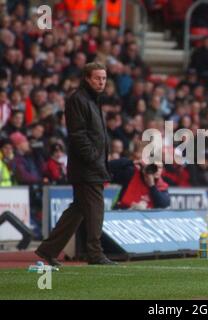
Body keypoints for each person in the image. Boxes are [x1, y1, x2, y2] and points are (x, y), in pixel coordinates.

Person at [35, 62, 116, 266]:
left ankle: (48, 249)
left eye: (104, 78)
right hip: (86, 167)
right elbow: (78, 134)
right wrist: (93, 158)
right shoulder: (78, 99)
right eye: (97, 78)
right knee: (95, 209)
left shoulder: (91, 99)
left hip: (90, 165)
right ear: (87, 78)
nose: (101, 82)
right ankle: (95, 253)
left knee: (78, 210)